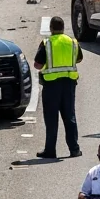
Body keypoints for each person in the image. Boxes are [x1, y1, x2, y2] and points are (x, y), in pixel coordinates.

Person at [34, 16, 83, 159]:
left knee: (51, 119)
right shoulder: (72, 42)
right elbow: (79, 58)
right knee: (70, 117)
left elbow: (37, 65)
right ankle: (74, 149)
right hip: (69, 84)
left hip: (51, 85)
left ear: (51, 28)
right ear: (63, 27)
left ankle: (50, 150)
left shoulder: (47, 43)